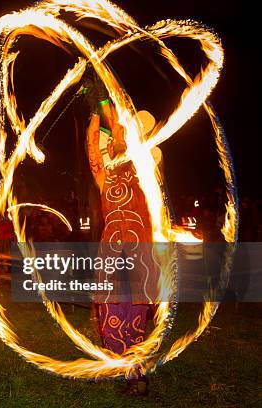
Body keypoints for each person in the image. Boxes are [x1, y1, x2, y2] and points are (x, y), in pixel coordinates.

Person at [83, 77, 161, 396]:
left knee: (135, 311)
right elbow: (93, 144)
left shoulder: (146, 169)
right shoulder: (104, 176)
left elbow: (118, 133)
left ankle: (136, 373)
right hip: (114, 249)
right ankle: (121, 366)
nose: (117, 137)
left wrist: (111, 117)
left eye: (124, 135)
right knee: (112, 311)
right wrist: (96, 107)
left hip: (139, 250)